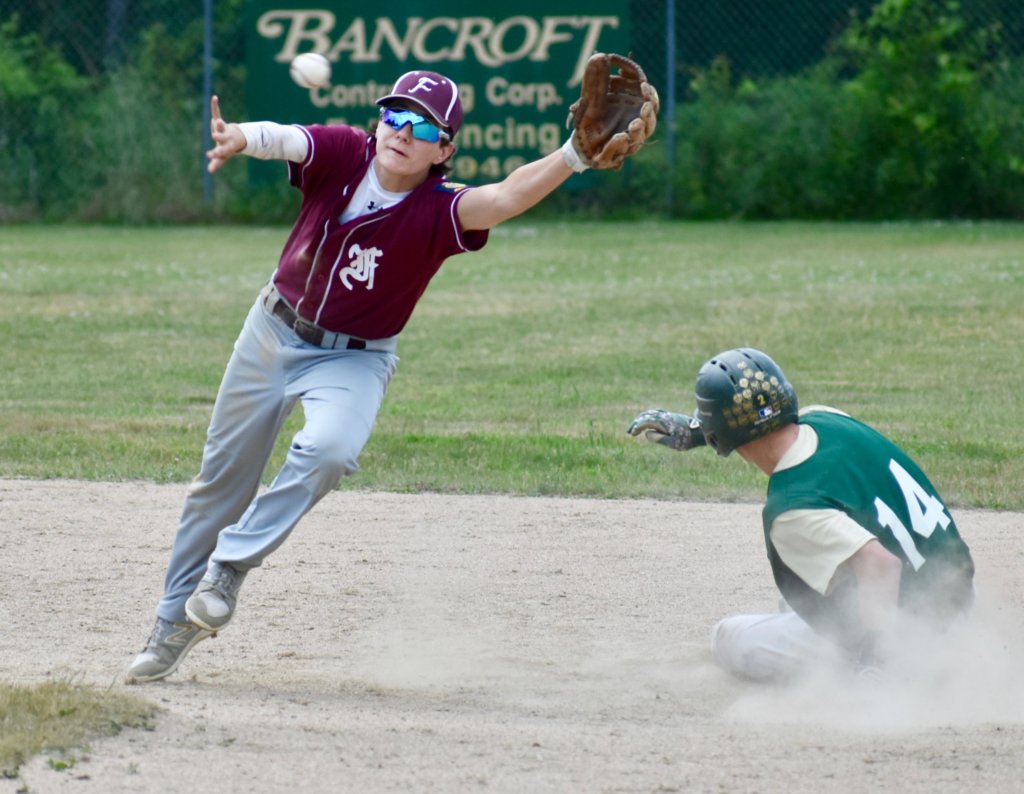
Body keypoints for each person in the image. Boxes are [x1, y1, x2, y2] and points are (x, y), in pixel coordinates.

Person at [126, 69, 622, 683]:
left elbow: (504, 197)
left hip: (355, 359)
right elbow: (288, 139)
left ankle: (229, 567)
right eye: (395, 115)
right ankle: (171, 624)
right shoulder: (344, 153)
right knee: (218, 487)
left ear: (443, 150)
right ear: (377, 123)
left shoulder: (439, 209)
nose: (402, 132)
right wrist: (241, 137)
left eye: (422, 127)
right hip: (271, 332)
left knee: (331, 450)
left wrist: (573, 155)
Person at [627, 347, 974, 682]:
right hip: (959, 601)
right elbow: (760, 421)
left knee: (730, 637)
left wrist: (876, 665)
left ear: (721, 434)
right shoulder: (826, 417)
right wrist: (702, 432)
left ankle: (872, 666)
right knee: (813, 575)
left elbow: (881, 566)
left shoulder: (793, 507)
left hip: (912, 643)